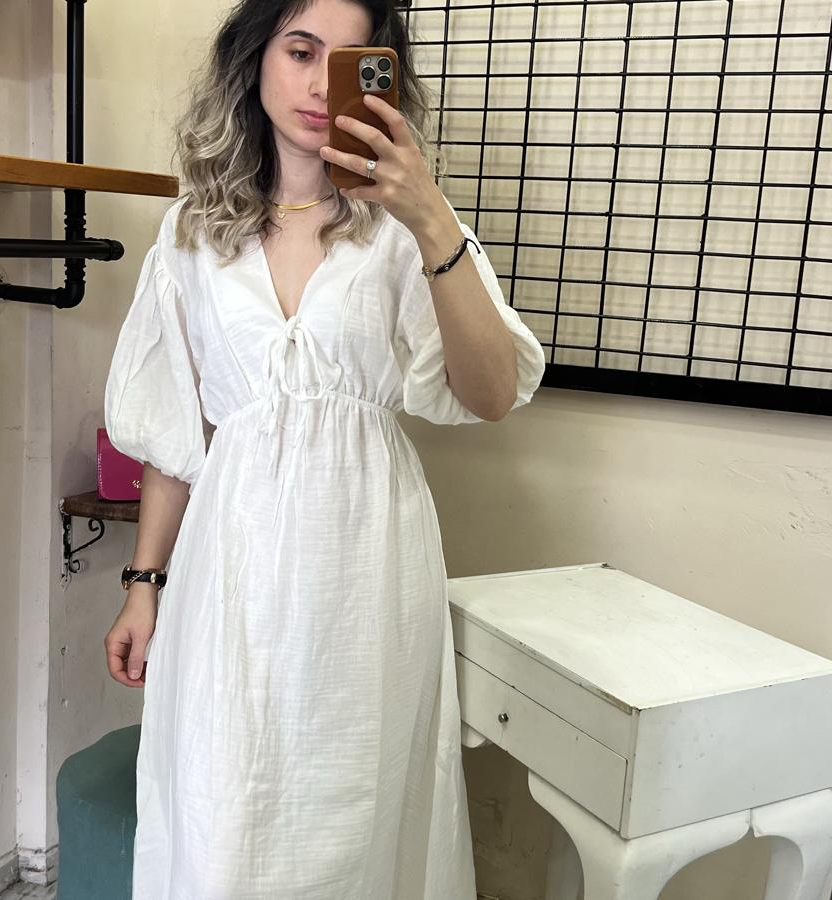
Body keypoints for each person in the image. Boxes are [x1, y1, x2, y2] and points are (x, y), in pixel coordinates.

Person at [102, 0, 546, 896]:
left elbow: (492, 393)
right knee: (224, 805)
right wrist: (144, 584)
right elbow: (176, 438)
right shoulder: (190, 235)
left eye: (347, 60)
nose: (318, 84)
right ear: (255, 60)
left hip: (366, 570)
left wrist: (430, 219)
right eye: (301, 51)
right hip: (228, 573)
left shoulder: (405, 231)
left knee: (359, 805)